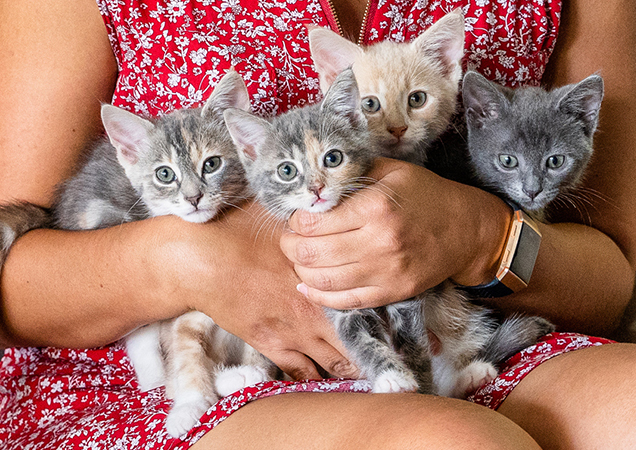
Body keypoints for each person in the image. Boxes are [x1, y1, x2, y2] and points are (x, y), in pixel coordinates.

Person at [0, 0, 634, 449]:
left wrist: (480, 233)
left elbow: (616, 274)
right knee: (450, 442)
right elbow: (18, 275)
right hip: (185, 366)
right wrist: (187, 261)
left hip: (461, 331)